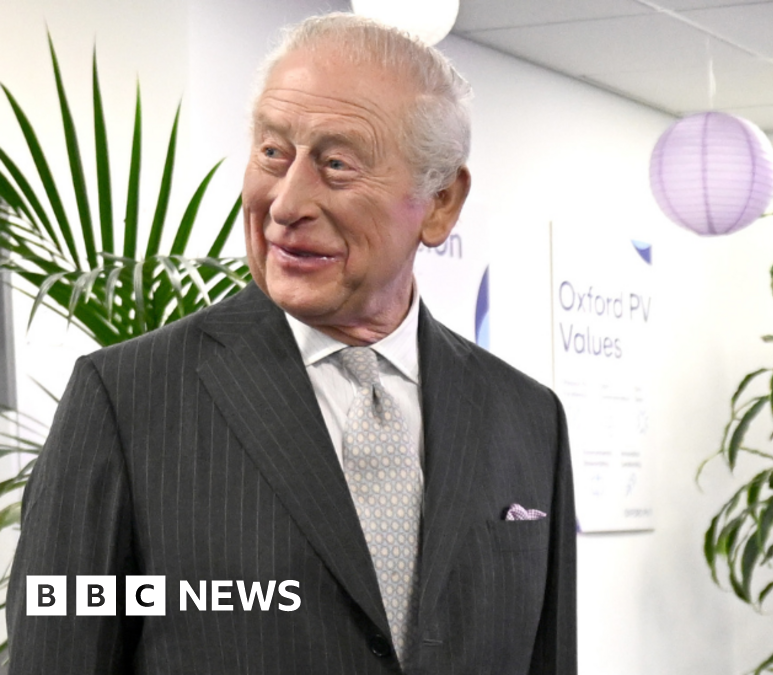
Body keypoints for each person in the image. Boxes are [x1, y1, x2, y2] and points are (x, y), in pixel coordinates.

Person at [6, 13, 576, 675]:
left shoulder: (528, 417)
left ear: (441, 201)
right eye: (273, 154)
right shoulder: (127, 400)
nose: (285, 203)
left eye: (336, 165)